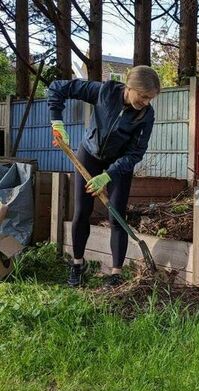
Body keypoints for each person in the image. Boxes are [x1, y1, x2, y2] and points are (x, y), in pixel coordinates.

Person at [48, 65, 161, 288]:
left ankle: (116, 273)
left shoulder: (146, 115)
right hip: (89, 153)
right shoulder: (105, 91)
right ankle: (78, 265)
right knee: (82, 211)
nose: (146, 102)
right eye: (143, 96)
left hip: (119, 165)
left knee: (116, 215)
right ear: (129, 87)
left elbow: (135, 153)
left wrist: (107, 176)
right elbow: (57, 88)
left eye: (150, 98)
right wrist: (57, 122)